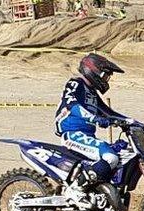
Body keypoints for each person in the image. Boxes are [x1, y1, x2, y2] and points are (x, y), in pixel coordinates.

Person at [55, 53, 128, 197]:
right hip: (72, 134)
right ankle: (75, 189)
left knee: (118, 154)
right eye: (106, 75)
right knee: (110, 157)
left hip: (86, 135)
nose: (107, 79)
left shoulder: (92, 93)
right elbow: (71, 104)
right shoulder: (75, 83)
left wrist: (131, 122)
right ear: (94, 71)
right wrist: (95, 118)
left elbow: (108, 112)